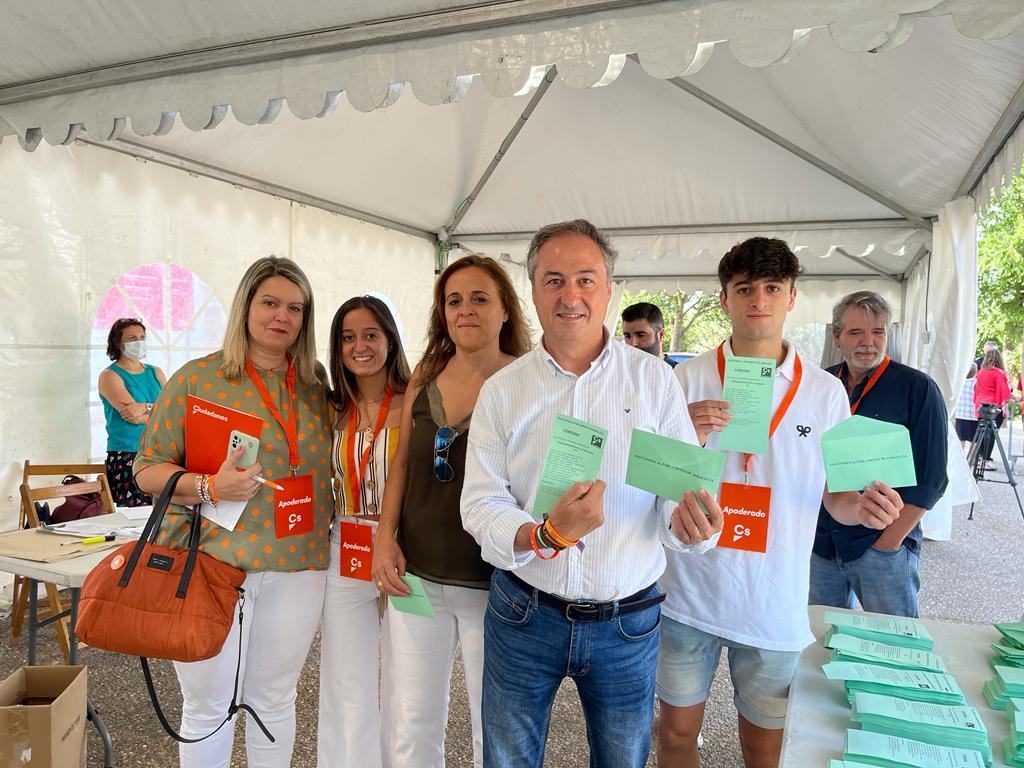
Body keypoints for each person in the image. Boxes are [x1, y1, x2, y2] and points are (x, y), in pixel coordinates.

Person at [461, 219, 726, 768]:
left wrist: (691, 523)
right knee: (506, 757)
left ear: (610, 289)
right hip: (524, 612)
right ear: (532, 290)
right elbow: (481, 502)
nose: (570, 295)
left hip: (626, 621)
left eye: (586, 279)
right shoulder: (502, 391)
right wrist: (544, 534)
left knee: (623, 758)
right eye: (553, 280)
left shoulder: (655, 383)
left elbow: (677, 495)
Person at [658, 244, 904, 768]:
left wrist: (861, 509)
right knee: (677, 734)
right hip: (689, 591)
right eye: (745, 289)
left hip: (773, 599)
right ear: (724, 298)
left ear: (793, 296)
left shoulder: (824, 393)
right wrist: (686, 432)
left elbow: (835, 497)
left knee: (765, 746)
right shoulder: (684, 380)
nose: (759, 301)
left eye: (772, 288)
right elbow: (656, 486)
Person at [135, 256, 332, 768]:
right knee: (206, 707)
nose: (282, 316)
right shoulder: (196, 379)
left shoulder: (315, 383)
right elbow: (145, 470)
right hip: (208, 565)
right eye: (269, 302)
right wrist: (206, 484)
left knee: (275, 701)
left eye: (295, 307)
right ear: (246, 306)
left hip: (297, 567)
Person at [372, 255, 531, 768]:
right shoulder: (426, 373)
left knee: (496, 729)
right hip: (416, 579)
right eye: (454, 300)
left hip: (497, 586)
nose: (466, 310)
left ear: (505, 309)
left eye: (480, 298)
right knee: (414, 720)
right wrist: (384, 537)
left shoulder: (528, 381)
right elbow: (400, 465)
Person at [809, 291, 948, 621]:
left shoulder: (918, 388)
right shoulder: (822, 385)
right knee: (822, 644)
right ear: (837, 337)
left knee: (892, 647)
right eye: (856, 332)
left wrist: (888, 544)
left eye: (878, 331)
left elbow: (930, 481)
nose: (868, 342)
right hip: (823, 546)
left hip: (882, 546)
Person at [319, 296, 410, 768]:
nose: (360, 346)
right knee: (345, 678)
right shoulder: (332, 406)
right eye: (348, 337)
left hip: (404, 546)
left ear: (390, 340)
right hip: (347, 542)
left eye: (371, 334)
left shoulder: (417, 399)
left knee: (406, 678)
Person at [98, 318, 166, 505]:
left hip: (159, 452)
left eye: (142, 337)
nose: (139, 342)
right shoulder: (110, 376)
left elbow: (171, 411)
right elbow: (133, 417)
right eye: (132, 338)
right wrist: (158, 412)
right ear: (118, 343)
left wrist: (145, 407)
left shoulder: (156, 372)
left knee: (161, 513)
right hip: (127, 454)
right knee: (133, 515)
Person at [973, 348, 1011, 465]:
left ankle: (979, 457)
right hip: (994, 407)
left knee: (981, 433)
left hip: (981, 406)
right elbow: (1004, 392)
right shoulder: (999, 373)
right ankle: (986, 458)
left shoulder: (980, 372)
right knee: (992, 434)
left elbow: (977, 390)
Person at [621, 301, 675, 366]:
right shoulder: (620, 372)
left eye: (640, 335)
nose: (633, 343)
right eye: (627, 336)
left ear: (660, 335)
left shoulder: (678, 374)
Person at [954, 364, 979, 451]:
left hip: (960, 414)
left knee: (961, 440)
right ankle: (970, 461)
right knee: (974, 441)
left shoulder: (959, 383)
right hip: (972, 416)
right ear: (975, 372)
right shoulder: (976, 383)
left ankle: (961, 460)